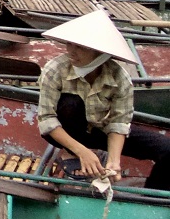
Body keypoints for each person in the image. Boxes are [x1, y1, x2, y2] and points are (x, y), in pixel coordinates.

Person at [38, 10, 169, 190]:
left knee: (167, 150)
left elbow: (119, 122)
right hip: (69, 131)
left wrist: (114, 162)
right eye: (69, 44)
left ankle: (153, 196)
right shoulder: (55, 70)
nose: (71, 51)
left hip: (102, 130)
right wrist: (81, 152)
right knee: (70, 103)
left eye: (80, 47)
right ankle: (72, 153)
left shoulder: (119, 77)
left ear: (99, 52)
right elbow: (46, 120)